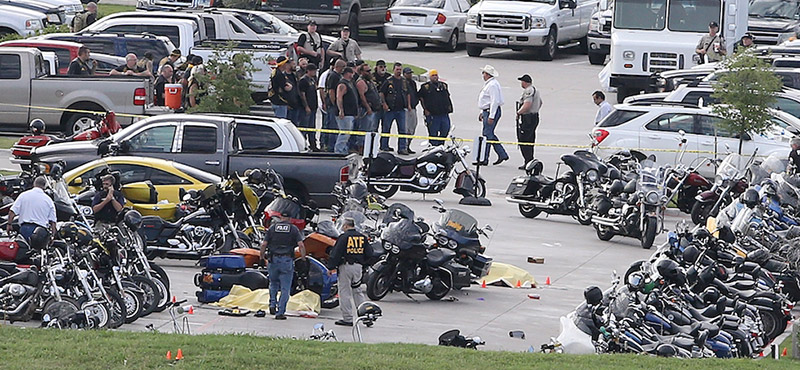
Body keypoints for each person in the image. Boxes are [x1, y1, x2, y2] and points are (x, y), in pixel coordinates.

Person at [260, 211, 306, 320]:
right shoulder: (293, 229)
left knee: (273, 283)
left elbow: (264, 244)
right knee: (285, 287)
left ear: (280, 217)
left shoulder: (272, 228)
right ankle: (280, 312)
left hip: (273, 260)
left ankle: (272, 304)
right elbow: (301, 245)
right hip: (286, 260)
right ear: (290, 218)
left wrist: (261, 258)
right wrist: (303, 259)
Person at [326, 217, 368, 326]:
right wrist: (363, 264)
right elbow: (370, 253)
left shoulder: (344, 237)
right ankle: (366, 315)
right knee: (358, 291)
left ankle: (348, 318)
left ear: (345, 226)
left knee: (344, 292)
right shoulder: (362, 237)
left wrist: (330, 267)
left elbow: (336, 253)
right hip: (358, 268)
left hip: (346, 267)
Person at [7, 176, 56, 240]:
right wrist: (52, 236)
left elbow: (12, 212)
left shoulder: (23, 195)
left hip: (25, 229)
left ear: (34, 184)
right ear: (44, 186)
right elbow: (53, 222)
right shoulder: (49, 200)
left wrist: (9, 224)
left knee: (24, 248)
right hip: (41, 232)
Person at [477, 65, 509, 165]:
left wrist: (491, 116)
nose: (483, 75)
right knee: (489, 134)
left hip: (491, 111)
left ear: (487, 74)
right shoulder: (490, 84)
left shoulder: (492, 85)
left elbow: (494, 101)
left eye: (484, 73)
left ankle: (484, 158)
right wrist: (483, 112)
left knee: (487, 135)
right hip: (487, 111)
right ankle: (502, 154)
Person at [379, 62, 410, 154]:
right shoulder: (389, 81)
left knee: (403, 130)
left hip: (401, 110)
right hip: (390, 110)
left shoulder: (404, 81)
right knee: (386, 129)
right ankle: (384, 146)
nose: (399, 71)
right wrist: (384, 104)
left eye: (400, 69)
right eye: (397, 69)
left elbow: (407, 93)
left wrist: (408, 105)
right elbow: (381, 93)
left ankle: (402, 148)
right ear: (393, 70)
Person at [418, 69, 452, 146]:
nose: (435, 77)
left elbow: (447, 96)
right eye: (433, 75)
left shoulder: (443, 85)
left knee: (445, 130)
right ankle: (433, 147)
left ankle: (441, 146)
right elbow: (420, 97)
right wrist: (425, 109)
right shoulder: (425, 87)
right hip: (433, 115)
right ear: (430, 77)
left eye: (436, 75)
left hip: (444, 113)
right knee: (433, 133)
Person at [516, 74, 542, 168]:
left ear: (525, 82)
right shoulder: (535, 90)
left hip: (528, 118)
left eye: (522, 81)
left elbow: (527, 104)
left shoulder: (528, 91)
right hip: (534, 117)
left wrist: (519, 113)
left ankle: (528, 161)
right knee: (530, 139)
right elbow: (540, 103)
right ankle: (529, 160)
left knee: (524, 140)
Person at [355, 62, 382, 151]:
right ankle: (361, 147)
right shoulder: (361, 82)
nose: (369, 73)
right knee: (364, 129)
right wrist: (368, 108)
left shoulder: (369, 81)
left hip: (374, 109)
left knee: (371, 129)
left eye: (370, 70)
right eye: (367, 71)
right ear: (362, 72)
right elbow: (362, 96)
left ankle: (370, 147)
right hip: (365, 110)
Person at [323, 59, 347, 151]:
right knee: (333, 127)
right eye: (343, 67)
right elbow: (331, 91)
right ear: (338, 67)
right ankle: (330, 147)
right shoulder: (333, 76)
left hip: (335, 105)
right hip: (332, 106)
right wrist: (335, 104)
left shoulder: (338, 76)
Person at [335, 67, 359, 154]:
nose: (353, 75)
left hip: (350, 113)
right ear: (348, 73)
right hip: (345, 114)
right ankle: (339, 151)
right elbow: (339, 97)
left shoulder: (350, 83)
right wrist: (341, 110)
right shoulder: (342, 84)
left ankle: (344, 150)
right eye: (352, 73)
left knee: (347, 134)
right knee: (344, 134)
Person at [297, 63, 319, 150]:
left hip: (313, 106)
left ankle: (313, 144)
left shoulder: (312, 80)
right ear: (308, 71)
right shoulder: (304, 80)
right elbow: (302, 94)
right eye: (313, 71)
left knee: (312, 127)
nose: (315, 72)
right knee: (304, 126)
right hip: (307, 107)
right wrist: (306, 106)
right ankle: (302, 145)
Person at [403, 67, 419, 154]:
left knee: (413, 128)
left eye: (410, 73)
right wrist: (408, 105)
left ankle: (408, 146)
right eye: (408, 73)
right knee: (407, 129)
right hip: (406, 109)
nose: (410, 75)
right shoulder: (403, 82)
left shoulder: (412, 83)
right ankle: (404, 147)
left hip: (413, 108)